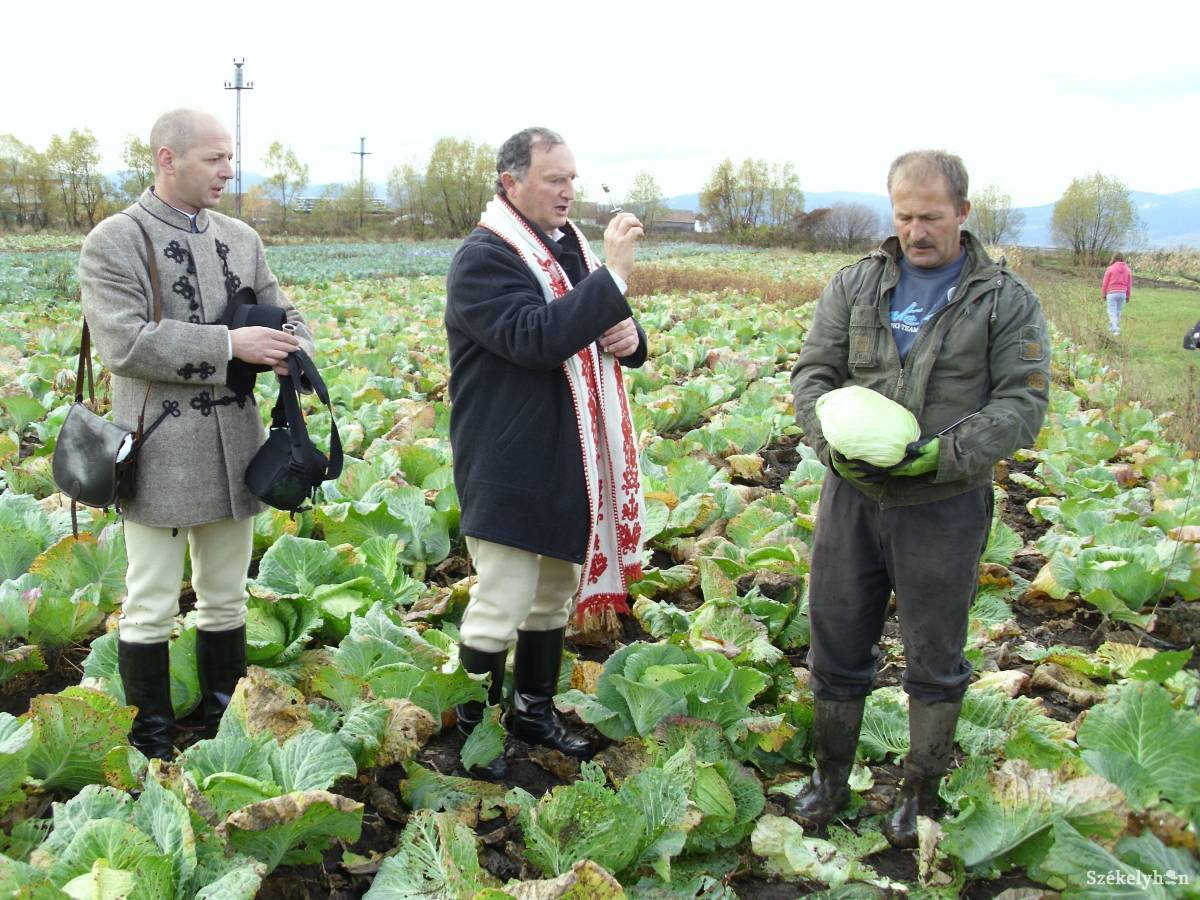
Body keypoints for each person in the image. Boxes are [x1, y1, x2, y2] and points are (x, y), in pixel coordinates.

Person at [789, 150, 1050, 847]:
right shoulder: (855, 285)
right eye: (903, 216)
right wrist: (828, 440)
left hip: (945, 504)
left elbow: (1022, 404)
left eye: (930, 216)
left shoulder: (1005, 300)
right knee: (837, 639)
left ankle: (920, 792)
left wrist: (947, 454)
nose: (916, 230)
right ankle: (831, 778)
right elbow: (814, 373)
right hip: (853, 497)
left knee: (935, 653)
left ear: (963, 213)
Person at [79, 109, 313, 760]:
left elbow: (286, 309)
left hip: (237, 446)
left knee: (227, 597)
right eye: (213, 158)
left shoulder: (242, 239)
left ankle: (223, 727)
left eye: (229, 156)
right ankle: (151, 740)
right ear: (166, 159)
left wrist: (298, 348)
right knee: (150, 599)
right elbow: (122, 344)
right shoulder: (115, 240)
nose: (228, 170)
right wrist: (229, 343)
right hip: (157, 449)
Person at [444, 127, 648, 779]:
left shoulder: (566, 248)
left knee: (555, 592)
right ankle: (471, 734)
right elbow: (536, 338)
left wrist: (627, 332)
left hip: (571, 452)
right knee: (502, 596)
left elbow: (601, 327)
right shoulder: (485, 258)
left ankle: (532, 709)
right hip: (506, 456)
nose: (568, 190)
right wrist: (612, 279)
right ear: (511, 183)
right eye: (553, 178)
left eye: (571, 178)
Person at [1101, 253, 1133, 335]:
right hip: (1122, 293)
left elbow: (1105, 283)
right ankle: (1112, 328)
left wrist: (1104, 294)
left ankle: (1115, 329)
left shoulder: (1110, 269)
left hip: (1111, 292)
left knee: (1111, 312)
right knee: (1118, 312)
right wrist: (1128, 295)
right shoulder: (1128, 270)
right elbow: (1129, 284)